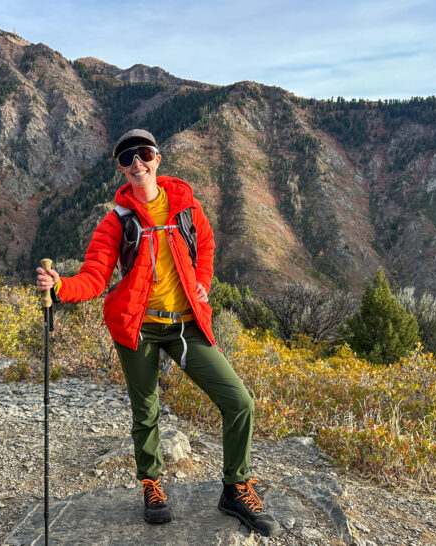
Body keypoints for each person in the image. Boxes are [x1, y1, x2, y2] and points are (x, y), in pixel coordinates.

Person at [36, 129, 279, 536]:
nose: (137, 163)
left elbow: (206, 245)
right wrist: (61, 287)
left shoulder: (186, 208)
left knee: (239, 402)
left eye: (143, 154)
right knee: (145, 412)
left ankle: (237, 486)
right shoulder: (116, 222)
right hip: (138, 326)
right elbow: (95, 276)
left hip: (186, 324)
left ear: (158, 158)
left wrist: (203, 279)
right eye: (127, 158)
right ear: (120, 168)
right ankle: (152, 484)